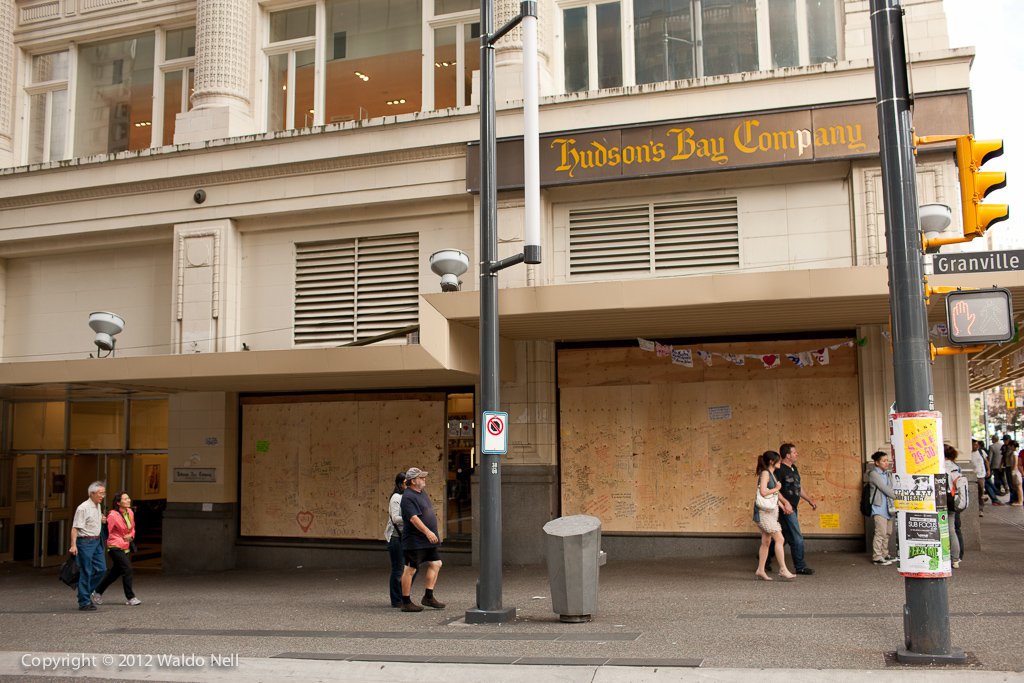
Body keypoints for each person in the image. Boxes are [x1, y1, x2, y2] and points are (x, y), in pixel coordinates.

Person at [399, 467, 446, 612]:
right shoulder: (407, 497)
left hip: (426, 540)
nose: (424, 479)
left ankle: (428, 597)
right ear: (413, 481)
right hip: (415, 540)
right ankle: (406, 602)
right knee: (410, 569)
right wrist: (427, 532)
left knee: (436, 563)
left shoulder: (421, 493)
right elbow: (413, 519)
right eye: (421, 477)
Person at [774, 443, 817, 575]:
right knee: (797, 537)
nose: (796, 454)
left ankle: (765, 556)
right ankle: (800, 566)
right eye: (794, 452)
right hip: (786, 508)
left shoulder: (794, 468)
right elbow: (775, 490)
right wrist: (786, 503)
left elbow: (798, 487)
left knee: (786, 536)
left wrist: (809, 499)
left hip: (793, 507)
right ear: (787, 455)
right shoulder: (779, 470)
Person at [92, 490, 141, 606]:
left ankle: (97, 592)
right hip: (114, 546)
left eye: (128, 498)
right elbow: (105, 531)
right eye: (125, 499)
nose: (128, 500)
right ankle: (131, 597)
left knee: (115, 572)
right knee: (127, 569)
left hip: (125, 546)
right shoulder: (113, 515)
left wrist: (131, 535)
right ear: (118, 503)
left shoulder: (130, 512)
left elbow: (132, 527)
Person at [753, 451, 796, 581]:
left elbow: (773, 496)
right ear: (772, 462)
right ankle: (783, 569)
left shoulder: (771, 473)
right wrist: (777, 488)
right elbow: (764, 492)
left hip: (771, 512)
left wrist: (783, 506)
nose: (780, 462)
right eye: (778, 460)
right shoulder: (765, 473)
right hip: (764, 513)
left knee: (766, 542)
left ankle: (760, 569)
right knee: (780, 539)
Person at [69, 481, 107, 611]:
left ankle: (84, 593)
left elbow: (93, 520)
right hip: (85, 542)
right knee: (86, 571)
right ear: (92, 493)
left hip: (97, 541)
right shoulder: (83, 508)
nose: (103, 496)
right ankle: (84, 601)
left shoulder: (98, 505)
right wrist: (73, 545)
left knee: (102, 569)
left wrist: (101, 518)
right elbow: (75, 528)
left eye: (103, 493)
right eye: (100, 493)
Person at [867, 451, 898, 566]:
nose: (887, 463)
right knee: (881, 532)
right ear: (876, 462)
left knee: (888, 532)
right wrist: (899, 497)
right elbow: (884, 488)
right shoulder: (874, 474)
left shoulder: (887, 474)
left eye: (887, 460)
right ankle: (877, 556)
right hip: (879, 507)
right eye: (884, 461)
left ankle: (885, 554)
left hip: (889, 507)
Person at [385, 472, 407, 608]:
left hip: (404, 537)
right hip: (395, 537)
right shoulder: (396, 497)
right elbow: (395, 518)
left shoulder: (407, 496)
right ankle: (396, 599)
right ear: (400, 484)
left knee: (410, 567)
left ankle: (402, 594)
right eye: (405, 483)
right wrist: (411, 516)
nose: (408, 485)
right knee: (398, 569)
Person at [944, 445, 963, 568]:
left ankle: (943, 555)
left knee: (938, 529)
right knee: (952, 530)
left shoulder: (939, 466)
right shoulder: (956, 467)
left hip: (939, 500)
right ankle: (955, 559)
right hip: (952, 500)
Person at [970, 439, 989, 517]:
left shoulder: (981, 452)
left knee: (981, 492)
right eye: (974, 444)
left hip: (981, 475)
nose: (976, 446)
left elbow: (986, 461)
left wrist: (988, 470)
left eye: (977, 444)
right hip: (972, 475)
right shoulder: (968, 454)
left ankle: (981, 509)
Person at [1004, 437, 1021, 505]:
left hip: (1012, 469)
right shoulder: (1011, 452)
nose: (1008, 446)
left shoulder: (1014, 453)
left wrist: (1013, 470)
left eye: (1009, 445)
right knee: (1011, 484)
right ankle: (1012, 498)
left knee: (1014, 485)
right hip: (1009, 468)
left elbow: (1015, 463)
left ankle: (1015, 499)